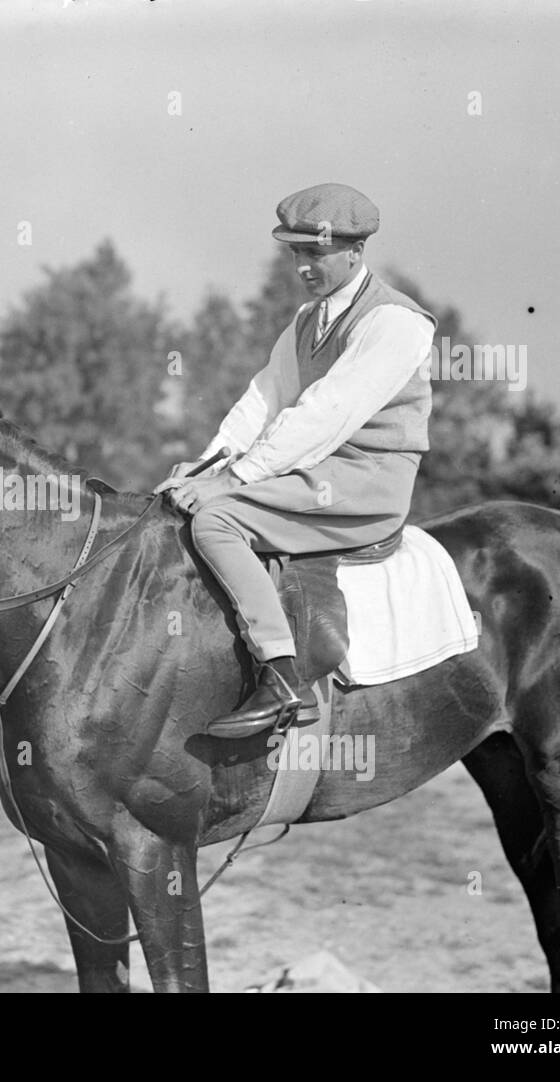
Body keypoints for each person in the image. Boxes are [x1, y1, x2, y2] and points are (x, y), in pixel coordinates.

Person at [156, 183, 436, 738]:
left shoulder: (396, 322)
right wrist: (208, 465)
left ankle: (283, 677)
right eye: (295, 253)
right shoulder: (308, 321)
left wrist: (231, 483)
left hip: (369, 476)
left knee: (217, 520)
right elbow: (263, 400)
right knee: (186, 503)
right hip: (320, 466)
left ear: (355, 250)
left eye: (316, 253)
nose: (303, 266)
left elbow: (326, 413)